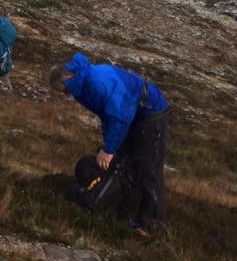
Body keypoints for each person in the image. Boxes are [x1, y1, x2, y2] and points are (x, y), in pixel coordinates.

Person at [49, 53, 170, 237]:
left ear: (67, 80)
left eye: (64, 91)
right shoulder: (82, 83)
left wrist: (109, 149)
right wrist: (110, 145)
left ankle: (152, 226)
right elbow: (107, 115)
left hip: (151, 112)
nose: (66, 96)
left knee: (149, 168)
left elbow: (119, 117)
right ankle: (126, 207)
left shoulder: (94, 83)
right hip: (134, 113)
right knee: (127, 162)